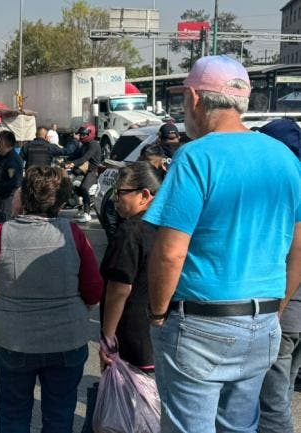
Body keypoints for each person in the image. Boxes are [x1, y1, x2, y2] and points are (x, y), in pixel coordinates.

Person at [144, 55, 301, 433]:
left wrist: (156, 315)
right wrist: (276, 307)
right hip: (262, 320)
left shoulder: (196, 156)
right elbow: (298, 247)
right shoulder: (283, 157)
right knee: (240, 427)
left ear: (195, 99)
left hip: (200, 321)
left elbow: (170, 252)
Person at [0, 166, 103, 433]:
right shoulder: (73, 234)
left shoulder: (3, 232)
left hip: (15, 339)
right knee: (59, 415)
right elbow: (94, 288)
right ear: (60, 200)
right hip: (66, 339)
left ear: (24, 196)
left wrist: (14, 216)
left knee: (13, 414)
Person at [258, 118, 301, 433]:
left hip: (286, 312)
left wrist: (277, 310)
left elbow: (293, 254)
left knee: (271, 406)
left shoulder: (284, 187)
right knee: (281, 394)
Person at [99, 162, 161, 374]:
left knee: (132, 404)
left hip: (131, 337)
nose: (116, 199)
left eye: (121, 192)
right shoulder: (171, 227)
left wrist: (107, 338)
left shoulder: (130, 232)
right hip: (162, 335)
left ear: (144, 195)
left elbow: (119, 289)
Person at [66, 124, 101, 223]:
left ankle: (87, 213)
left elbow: (85, 158)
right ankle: (81, 206)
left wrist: (72, 164)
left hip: (92, 171)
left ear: (90, 134)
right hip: (82, 170)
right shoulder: (84, 145)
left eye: (83, 134)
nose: (81, 136)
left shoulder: (94, 144)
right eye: (80, 134)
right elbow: (74, 155)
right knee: (70, 184)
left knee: (84, 188)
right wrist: (63, 159)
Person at [0, 130, 23, 223]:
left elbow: (13, 182)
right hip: (8, 199)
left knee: (5, 227)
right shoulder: (10, 157)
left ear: (3, 143)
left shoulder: (11, 160)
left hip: (8, 200)